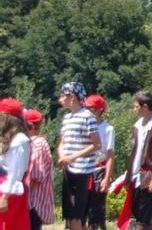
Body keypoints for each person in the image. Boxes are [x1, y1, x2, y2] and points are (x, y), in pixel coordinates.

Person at [117, 91, 152, 230]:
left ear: (144, 106)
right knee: (142, 217)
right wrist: (129, 176)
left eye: (136, 106)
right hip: (136, 176)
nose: (134, 109)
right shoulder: (137, 126)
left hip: (149, 175)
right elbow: (136, 153)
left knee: (142, 220)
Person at [57, 82, 100, 230]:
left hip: (83, 171)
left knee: (76, 214)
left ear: (73, 97)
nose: (60, 99)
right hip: (69, 169)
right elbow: (62, 142)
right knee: (70, 214)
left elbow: (96, 144)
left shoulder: (88, 117)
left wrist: (73, 156)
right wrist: (62, 155)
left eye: (63, 95)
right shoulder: (67, 118)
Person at [84, 95, 115, 230]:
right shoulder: (84, 126)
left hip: (98, 171)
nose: (86, 112)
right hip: (84, 170)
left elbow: (110, 156)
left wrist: (106, 178)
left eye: (90, 109)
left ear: (99, 110)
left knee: (96, 209)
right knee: (82, 208)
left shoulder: (108, 129)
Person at [0, 98, 31, 230]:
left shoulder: (20, 141)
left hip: (10, 191)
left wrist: (5, 197)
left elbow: (15, 172)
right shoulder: (7, 138)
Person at [24, 109, 53, 230]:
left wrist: (27, 197)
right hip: (34, 200)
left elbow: (36, 174)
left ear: (29, 125)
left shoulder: (38, 144)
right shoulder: (35, 142)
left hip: (34, 200)